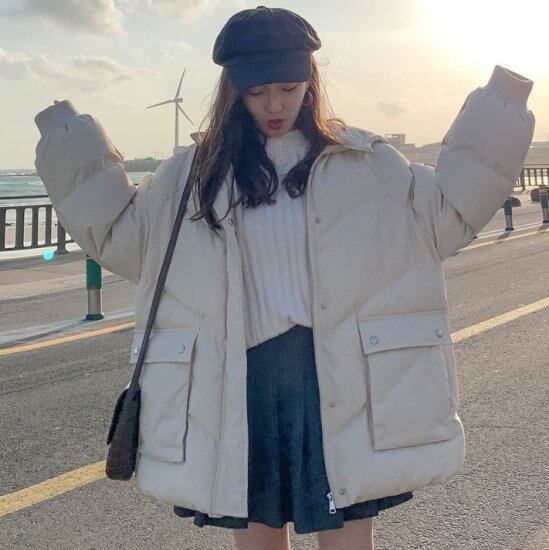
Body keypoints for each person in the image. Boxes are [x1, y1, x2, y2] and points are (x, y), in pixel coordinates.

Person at [33, 6, 535, 550]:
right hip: (238, 382)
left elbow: (452, 210)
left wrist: (502, 104)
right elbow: (121, 237)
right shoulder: (191, 175)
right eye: (258, 91)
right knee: (257, 538)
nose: (274, 105)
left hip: (341, 377)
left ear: (310, 83)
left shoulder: (367, 161)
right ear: (233, 90)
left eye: (289, 88)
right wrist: (66, 136)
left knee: (347, 538)